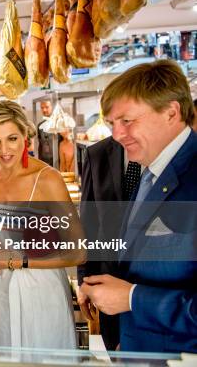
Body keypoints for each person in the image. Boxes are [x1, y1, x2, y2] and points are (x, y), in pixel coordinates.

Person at [79, 60, 197, 353]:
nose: (117, 135)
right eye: (112, 124)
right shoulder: (151, 173)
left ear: (171, 111)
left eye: (127, 121)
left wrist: (132, 299)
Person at [0, 101, 85, 349]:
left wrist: (16, 261)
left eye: (12, 138)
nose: (4, 150)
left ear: (26, 135)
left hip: (40, 288)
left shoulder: (47, 179)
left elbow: (78, 252)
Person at [79, 135, 141, 350]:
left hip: (154, 286)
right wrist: (84, 280)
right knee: (115, 352)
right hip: (109, 275)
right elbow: (89, 222)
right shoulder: (97, 153)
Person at [37, 100, 54, 166]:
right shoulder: (40, 125)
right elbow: (40, 144)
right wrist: (39, 160)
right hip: (44, 159)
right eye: (42, 107)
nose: (44, 110)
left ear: (52, 107)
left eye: (47, 107)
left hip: (57, 159)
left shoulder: (58, 124)